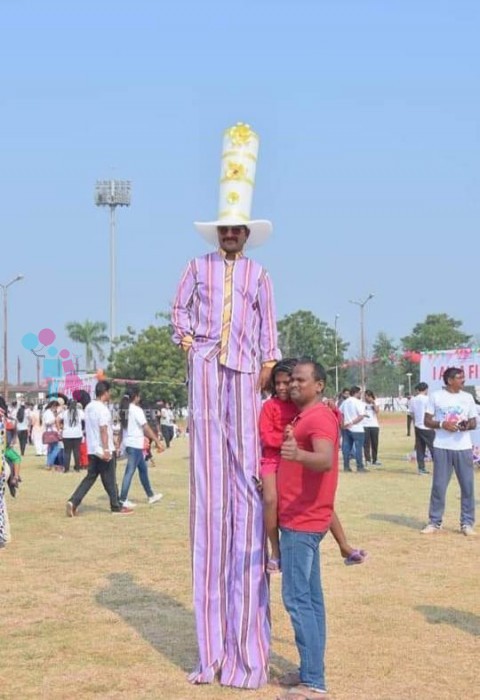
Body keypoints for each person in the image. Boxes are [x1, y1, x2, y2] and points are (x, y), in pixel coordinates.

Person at [171, 122, 279, 688]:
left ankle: (246, 639)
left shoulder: (260, 276)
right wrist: (194, 346)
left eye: (238, 229)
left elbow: (270, 331)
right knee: (209, 482)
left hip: (244, 373)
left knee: (244, 476)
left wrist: (265, 364)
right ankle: (210, 649)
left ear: (246, 233)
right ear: (217, 233)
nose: (231, 236)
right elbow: (177, 315)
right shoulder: (197, 268)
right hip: (208, 369)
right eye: (225, 230)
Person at [259, 359, 366, 573]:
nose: (284, 387)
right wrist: (286, 442)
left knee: (320, 501)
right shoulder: (270, 406)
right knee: (270, 498)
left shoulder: (303, 406)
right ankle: (275, 550)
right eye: (278, 383)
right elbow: (265, 435)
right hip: (275, 458)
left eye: (289, 381)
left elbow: (328, 422)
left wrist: (332, 409)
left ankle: (343, 544)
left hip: (295, 460)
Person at [276, 360, 340, 699]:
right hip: (303, 521)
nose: (294, 385)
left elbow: (325, 459)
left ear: (319, 386)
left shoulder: (317, 417)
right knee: (311, 601)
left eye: (302, 380)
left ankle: (314, 683)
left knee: (298, 600)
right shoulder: (307, 416)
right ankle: (310, 669)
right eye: (292, 380)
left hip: (301, 523)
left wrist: (297, 454)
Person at [421, 368, 477, 536]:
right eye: (460, 378)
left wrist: (466, 425)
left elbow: (474, 421)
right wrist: (442, 424)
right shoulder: (436, 396)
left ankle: (467, 523)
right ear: (450, 380)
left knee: (467, 486)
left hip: (463, 447)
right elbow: (427, 420)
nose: (463, 381)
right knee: (439, 486)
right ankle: (434, 522)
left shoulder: (467, 397)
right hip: (442, 446)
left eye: (463, 378)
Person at [66, 381, 132, 516]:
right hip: (103, 449)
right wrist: (107, 449)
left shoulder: (89, 407)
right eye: (109, 392)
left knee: (90, 478)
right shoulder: (103, 409)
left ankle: (74, 501)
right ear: (105, 392)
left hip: (93, 449)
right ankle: (116, 506)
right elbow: (103, 429)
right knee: (110, 479)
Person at [118, 389, 164, 507]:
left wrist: (119, 443)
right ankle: (122, 499)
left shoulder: (125, 410)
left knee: (143, 470)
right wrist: (157, 441)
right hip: (135, 444)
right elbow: (146, 427)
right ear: (136, 397)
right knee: (129, 472)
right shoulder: (136, 410)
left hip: (130, 443)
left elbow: (121, 429)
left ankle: (150, 495)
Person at [339, 386, 368, 472]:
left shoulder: (345, 402)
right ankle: (359, 467)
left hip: (346, 428)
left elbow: (340, 413)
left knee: (346, 448)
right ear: (356, 393)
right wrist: (351, 422)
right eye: (360, 393)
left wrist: (343, 424)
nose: (360, 395)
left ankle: (346, 466)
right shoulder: (358, 402)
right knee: (358, 448)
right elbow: (361, 416)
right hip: (357, 428)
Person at [410, 382, 434, 475]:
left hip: (418, 426)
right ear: (426, 389)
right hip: (427, 427)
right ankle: (440, 468)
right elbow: (431, 413)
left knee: (420, 448)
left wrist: (416, 423)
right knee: (434, 448)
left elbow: (412, 413)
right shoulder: (428, 399)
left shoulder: (413, 399)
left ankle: (421, 468)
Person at [61, 399, 85, 472]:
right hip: (77, 434)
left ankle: (66, 469)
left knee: (67, 452)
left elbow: (58, 419)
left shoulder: (65, 413)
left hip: (66, 434)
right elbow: (84, 420)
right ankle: (77, 468)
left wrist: (61, 428)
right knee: (76, 451)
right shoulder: (80, 412)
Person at [363, 389, 381, 466]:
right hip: (365, 425)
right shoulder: (361, 403)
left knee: (375, 443)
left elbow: (377, 411)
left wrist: (373, 402)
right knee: (366, 443)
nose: (366, 398)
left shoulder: (376, 402)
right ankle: (367, 460)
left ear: (371, 396)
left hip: (374, 425)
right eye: (365, 396)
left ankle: (375, 459)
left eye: (367, 396)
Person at [43, 400, 62, 471]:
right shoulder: (48, 413)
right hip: (52, 432)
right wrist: (55, 419)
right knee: (56, 448)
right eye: (56, 407)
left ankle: (49, 463)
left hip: (50, 432)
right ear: (53, 406)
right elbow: (47, 422)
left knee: (51, 449)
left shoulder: (48, 412)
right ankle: (50, 463)